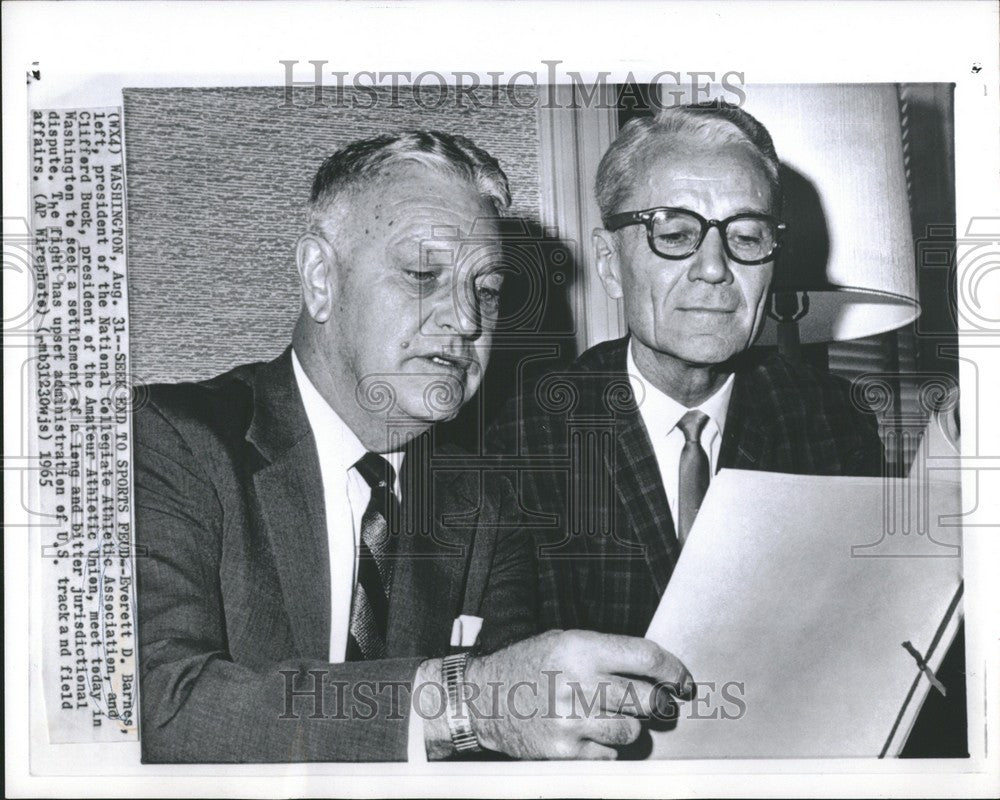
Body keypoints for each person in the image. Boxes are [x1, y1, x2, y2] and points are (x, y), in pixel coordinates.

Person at [135, 130, 694, 763]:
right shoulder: (168, 440)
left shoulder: (484, 504)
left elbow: (504, 753)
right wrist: (462, 702)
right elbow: (154, 706)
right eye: (424, 274)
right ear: (320, 278)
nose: (466, 319)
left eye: (485, 289)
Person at [487, 104, 886, 636]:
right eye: (674, 235)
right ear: (609, 264)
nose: (716, 268)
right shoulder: (519, 437)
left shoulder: (832, 421)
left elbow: (860, 631)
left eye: (746, 237)